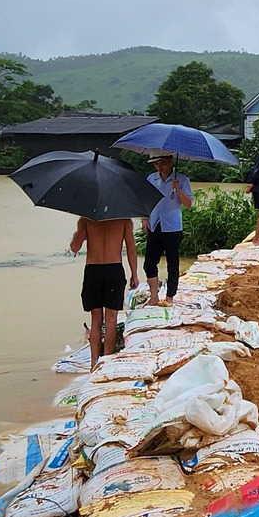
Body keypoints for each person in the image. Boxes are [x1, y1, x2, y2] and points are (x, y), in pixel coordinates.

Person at [69, 214, 138, 365]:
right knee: (111, 319)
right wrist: (134, 274)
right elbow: (131, 249)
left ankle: (94, 362)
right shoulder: (124, 219)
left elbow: (74, 247)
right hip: (114, 269)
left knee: (96, 320)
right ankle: (106, 361)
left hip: (93, 270)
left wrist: (79, 230)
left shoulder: (86, 219)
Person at [142, 152, 193, 303]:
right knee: (149, 263)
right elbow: (144, 200)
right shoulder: (151, 179)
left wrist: (178, 190)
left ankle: (170, 295)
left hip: (172, 226)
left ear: (170, 162)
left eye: (162, 163)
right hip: (154, 224)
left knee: (172, 262)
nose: (159, 167)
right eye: (156, 164)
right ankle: (154, 295)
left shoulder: (182, 179)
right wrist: (144, 218)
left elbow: (189, 204)